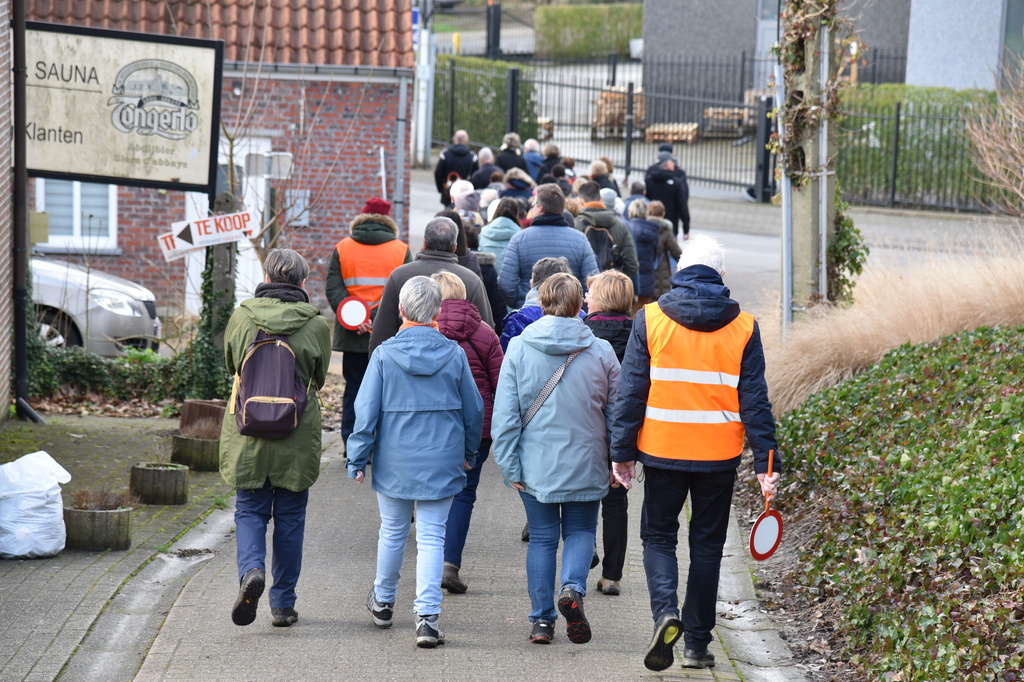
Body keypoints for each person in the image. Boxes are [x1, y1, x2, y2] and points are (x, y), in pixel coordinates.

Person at [608, 234, 780, 671]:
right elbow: (755, 400)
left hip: (662, 451)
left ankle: (665, 613)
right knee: (707, 546)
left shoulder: (650, 320)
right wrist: (765, 462)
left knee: (658, 537)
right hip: (717, 457)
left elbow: (631, 392)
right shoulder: (744, 326)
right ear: (721, 277)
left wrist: (621, 453)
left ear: (681, 271)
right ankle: (697, 645)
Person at [348, 276, 484, 648]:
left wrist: (357, 457)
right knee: (431, 536)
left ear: (401, 310)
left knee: (392, 531)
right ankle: (427, 618)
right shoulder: (455, 354)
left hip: (394, 459)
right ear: (438, 312)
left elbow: (366, 412)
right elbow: (474, 411)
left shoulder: (384, 355)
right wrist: (470, 453)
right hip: (442, 458)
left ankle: (384, 603)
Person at [491, 273, 620, 645]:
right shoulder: (601, 351)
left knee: (543, 540)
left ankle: (542, 622)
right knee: (580, 531)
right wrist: (617, 460)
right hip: (588, 460)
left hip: (534, 465)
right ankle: (573, 590)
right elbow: (617, 413)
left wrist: (508, 465)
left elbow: (506, 416)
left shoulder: (517, 347)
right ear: (580, 304)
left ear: (542, 301)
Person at [220, 249, 332, 629]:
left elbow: (232, 364)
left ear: (267, 277)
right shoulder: (315, 324)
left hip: (247, 428)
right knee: (290, 518)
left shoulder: (242, 316)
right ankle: (283, 604)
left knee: (250, 510)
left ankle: (251, 571)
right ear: (302, 282)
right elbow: (318, 377)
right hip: (295, 433)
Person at [429, 271, 504, 595]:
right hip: (478, 427)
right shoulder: (485, 333)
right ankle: (450, 564)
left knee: (431, 490)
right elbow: (501, 383)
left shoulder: (423, 331)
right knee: (464, 493)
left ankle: (428, 566)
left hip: (431, 425)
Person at [325, 198, 412, 448]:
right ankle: (379, 444)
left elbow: (334, 288)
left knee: (353, 387)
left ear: (361, 218)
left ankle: (351, 443)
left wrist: (356, 318)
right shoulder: (400, 249)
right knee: (385, 390)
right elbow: (406, 291)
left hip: (353, 333)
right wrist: (378, 320)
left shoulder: (343, 247)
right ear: (388, 221)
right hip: (388, 334)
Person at [582, 270, 634, 597]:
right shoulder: (640, 335)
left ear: (598, 298)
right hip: (625, 431)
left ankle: (584, 549)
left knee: (582, 496)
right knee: (617, 501)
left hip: (584, 428)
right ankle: (612, 576)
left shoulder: (583, 334)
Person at [369, 217, 493, 352]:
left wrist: (378, 366)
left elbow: (382, 331)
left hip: (405, 362)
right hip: (456, 366)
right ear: (455, 247)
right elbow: (486, 334)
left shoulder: (398, 276)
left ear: (424, 243)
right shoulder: (472, 281)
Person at [497, 183, 599, 309]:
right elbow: (592, 281)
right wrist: (577, 307)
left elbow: (506, 283)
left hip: (531, 310)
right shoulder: (580, 239)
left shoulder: (519, 239)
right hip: (569, 312)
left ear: (540, 208)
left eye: (534, 205)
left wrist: (521, 303)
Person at [499, 256, 580, 352]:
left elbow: (507, 356)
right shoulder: (581, 317)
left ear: (535, 283)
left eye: (532, 278)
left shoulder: (518, 319)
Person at [574, 180, 638, 281]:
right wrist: (613, 283)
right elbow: (632, 265)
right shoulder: (620, 225)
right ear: (601, 199)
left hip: (584, 290)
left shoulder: (575, 226)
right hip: (612, 292)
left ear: (581, 201)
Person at [645, 153, 690, 239]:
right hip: (671, 228)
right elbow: (682, 206)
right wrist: (686, 229)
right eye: (672, 161)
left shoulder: (649, 181)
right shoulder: (676, 183)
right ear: (667, 164)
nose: (674, 163)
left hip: (651, 226)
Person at [626, 199, 660, 313]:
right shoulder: (653, 231)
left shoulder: (626, 228)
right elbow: (654, 256)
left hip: (628, 280)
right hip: (647, 280)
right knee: (642, 317)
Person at [434, 130, 478, 207]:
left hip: (448, 192)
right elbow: (476, 175)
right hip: (466, 193)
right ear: (466, 141)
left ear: (454, 139)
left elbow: (438, 173)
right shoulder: (472, 156)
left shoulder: (445, 154)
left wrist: (441, 189)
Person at [648, 200, 682, 298]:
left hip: (645, 272)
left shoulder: (642, 227)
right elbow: (677, 253)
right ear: (663, 214)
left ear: (649, 213)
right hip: (660, 276)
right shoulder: (666, 231)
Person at [478, 197, 521, 274]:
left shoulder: (483, 232)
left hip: (486, 278)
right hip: (510, 279)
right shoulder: (521, 235)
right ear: (516, 213)